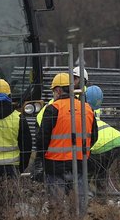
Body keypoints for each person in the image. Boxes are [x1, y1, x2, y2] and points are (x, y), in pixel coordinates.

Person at [38, 72, 98, 212]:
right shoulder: (87, 108)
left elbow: (42, 138)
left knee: (57, 209)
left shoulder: (52, 109)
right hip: (79, 164)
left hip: (55, 166)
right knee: (78, 209)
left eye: (53, 91)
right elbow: (94, 136)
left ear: (58, 90)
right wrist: (83, 151)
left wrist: (42, 159)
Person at [84, 86, 120, 193]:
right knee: (101, 173)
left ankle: (89, 196)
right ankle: (108, 197)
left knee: (84, 173)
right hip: (117, 140)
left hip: (101, 145)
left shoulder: (84, 111)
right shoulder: (95, 110)